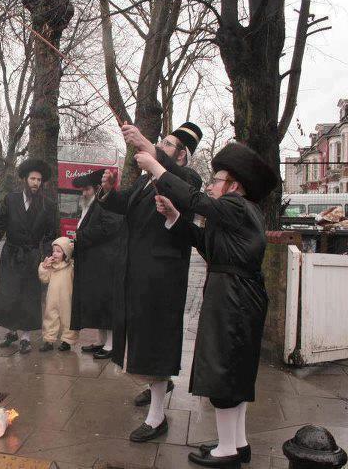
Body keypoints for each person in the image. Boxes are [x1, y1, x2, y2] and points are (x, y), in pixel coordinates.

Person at [135, 142, 277, 468]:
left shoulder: (237, 206)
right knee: (235, 374)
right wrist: (174, 217)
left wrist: (158, 169)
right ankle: (236, 443)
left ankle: (226, 451)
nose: (211, 184)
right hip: (237, 295)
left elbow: (194, 199)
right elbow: (208, 247)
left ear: (234, 185)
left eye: (217, 179)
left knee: (225, 371)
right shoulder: (236, 214)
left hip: (233, 299)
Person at [98, 122, 203, 442]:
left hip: (162, 276)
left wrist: (149, 148)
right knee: (142, 340)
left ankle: (157, 418)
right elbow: (123, 205)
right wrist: (109, 189)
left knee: (156, 342)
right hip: (137, 270)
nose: (160, 145)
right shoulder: (146, 179)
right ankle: (155, 386)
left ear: (181, 155)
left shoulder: (187, 178)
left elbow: (181, 187)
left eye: (168, 144)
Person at [0, 158, 58, 354]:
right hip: (11, 255)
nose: (36, 183)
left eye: (39, 180)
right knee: (9, 294)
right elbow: (0, 225)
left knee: (29, 297)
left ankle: (25, 337)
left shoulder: (48, 205)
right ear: (25, 179)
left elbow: (50, 234)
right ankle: (11, 332)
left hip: (32, 256)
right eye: (33, 179)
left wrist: (48, 256)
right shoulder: (11, 199)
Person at [69, 169, 122, 359]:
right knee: (97, 304)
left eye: (87, 189)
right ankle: (101, 341)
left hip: (105, 264)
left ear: (97, 188)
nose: (83, 193)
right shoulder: (90, 205)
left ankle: (111, 345)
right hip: (93, 263)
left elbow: (111, 227)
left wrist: (81, 236)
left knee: (106, 304)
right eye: (82, 190)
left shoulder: (105, 204)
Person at [38, 237, 76, 352]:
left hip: (67, 299)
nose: (55, 253)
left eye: (59, 251)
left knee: (68, 320)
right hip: (52, 300)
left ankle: (67, 341)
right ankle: (49, 340)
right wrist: (44, 267)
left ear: (66, 253)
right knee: (50, 318)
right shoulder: (51, 266)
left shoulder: (71, 267)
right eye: (53, 251)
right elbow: (44, 279)